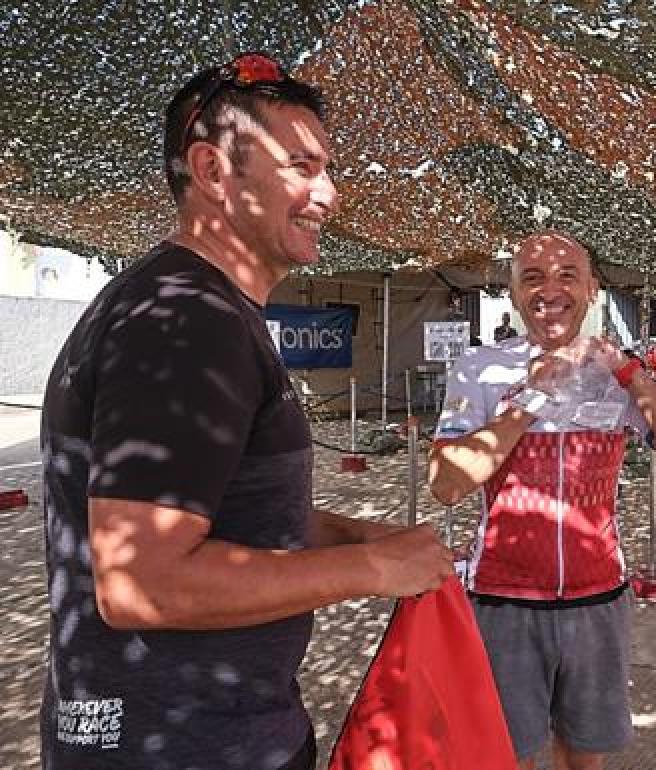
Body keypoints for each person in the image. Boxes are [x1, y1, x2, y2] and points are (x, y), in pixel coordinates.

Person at [38, 53, 453, 770]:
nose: (328, 191)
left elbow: (230, 511)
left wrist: (358, 535)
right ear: (211, 171)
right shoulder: (184, 321)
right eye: (300, 164)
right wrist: (370, 569)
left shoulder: (199, 309)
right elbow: (143, 582)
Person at [428, 231, 656, 770]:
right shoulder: (481, 367)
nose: (549, 290)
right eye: (531, 278)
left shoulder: (617, 373)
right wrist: (531, 396)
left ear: (591, 289)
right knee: (505, 755)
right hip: (503, 599)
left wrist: (632, 376)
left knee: (585, 753)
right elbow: (447, 484)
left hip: (597, 598)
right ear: (512, 294)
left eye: (566, 275)